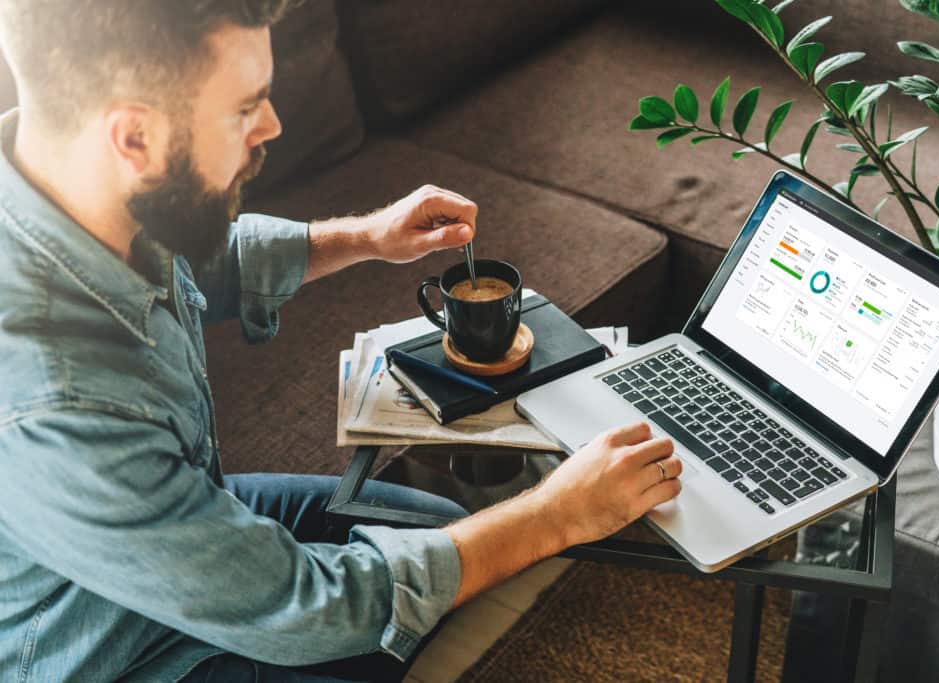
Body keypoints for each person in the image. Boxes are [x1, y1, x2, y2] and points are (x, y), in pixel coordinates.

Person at [0, 1, 684, 681]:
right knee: (387, 614)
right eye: (244, 109)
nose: (272, 126)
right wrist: (557, 515)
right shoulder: (57, 402)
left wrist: (365, 236)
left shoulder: (63, 177)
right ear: (135, 139)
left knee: (436, 533)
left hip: (178, 517)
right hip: (110, 650)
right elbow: (308, 606)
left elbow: (189, 252)